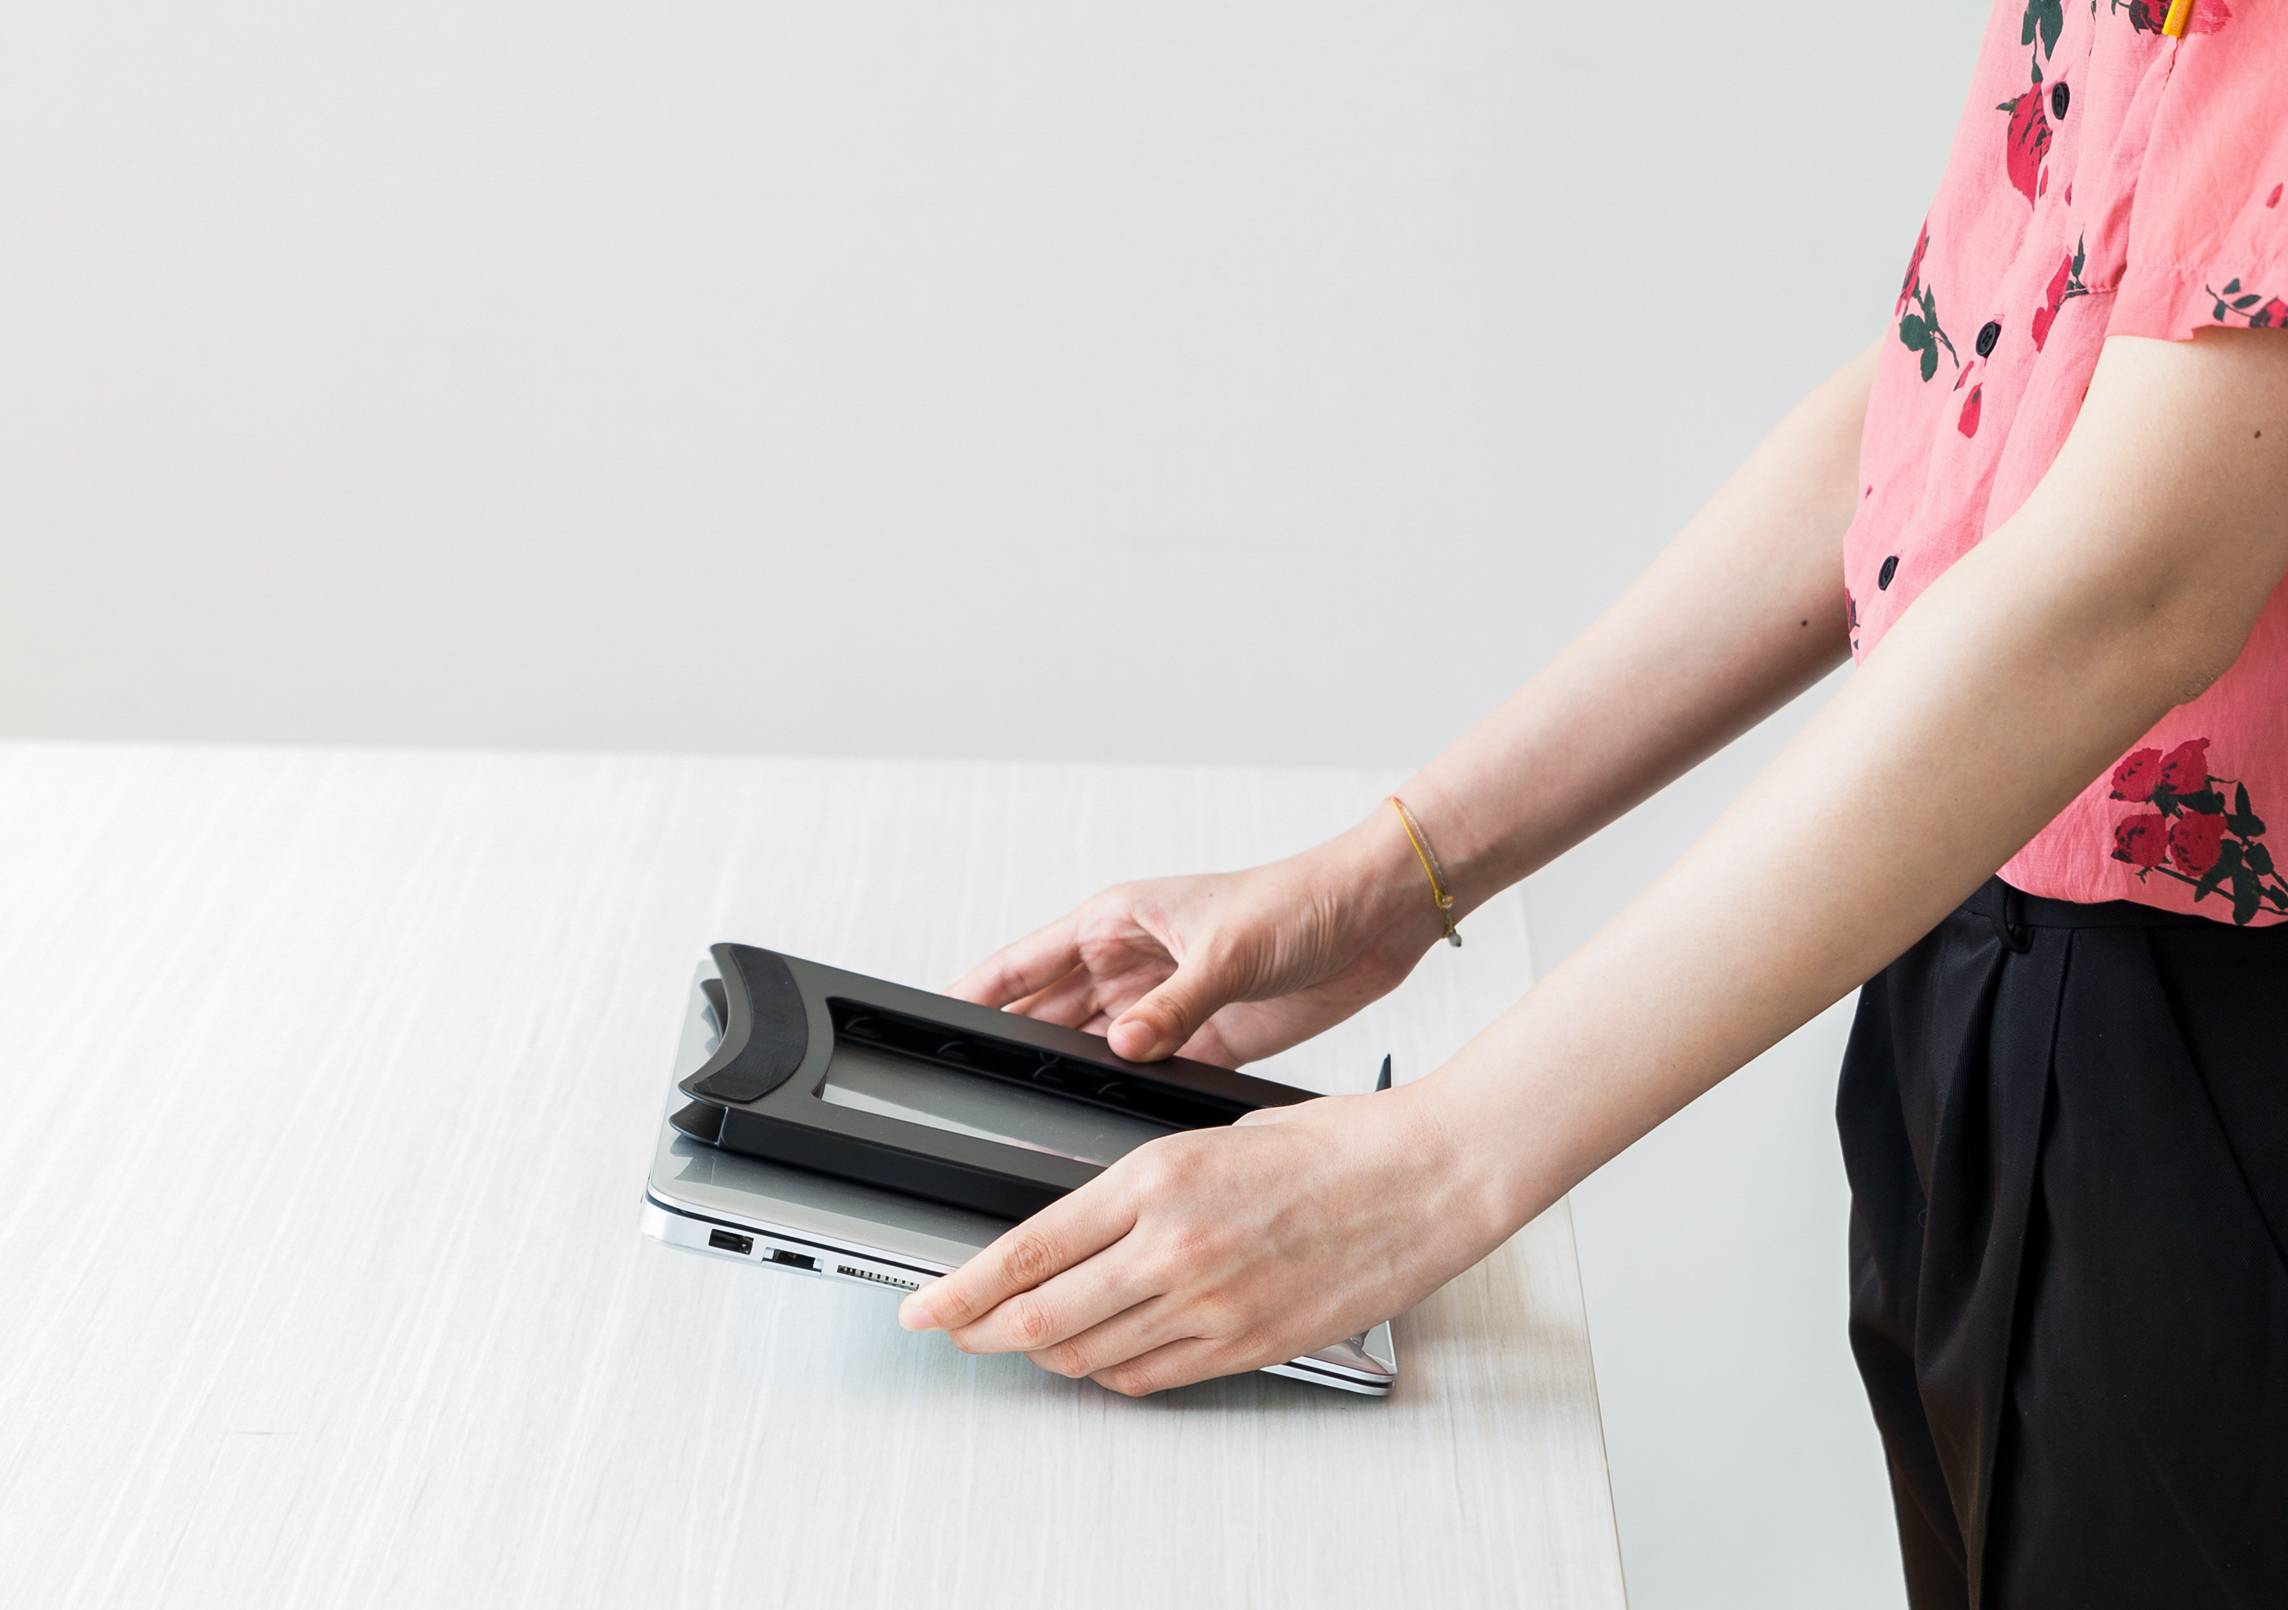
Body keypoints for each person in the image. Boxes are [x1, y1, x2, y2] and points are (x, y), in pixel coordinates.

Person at [894, 2, 2288, 1603]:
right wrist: (1398, 873)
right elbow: (1964, 401)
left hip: (2223, 1056)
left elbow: (2135, 584)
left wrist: (1430, 1167)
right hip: (1986, 959)